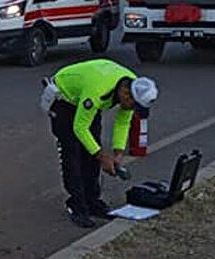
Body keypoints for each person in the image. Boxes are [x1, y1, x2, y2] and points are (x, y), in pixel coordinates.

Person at [41, 58, 158, 228]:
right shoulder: (98, 91)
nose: (133, 109)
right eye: (133, 106)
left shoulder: (134, 87)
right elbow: (80, 127)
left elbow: (123, 122)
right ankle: (77, 205)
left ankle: (92, 201)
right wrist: (102, 156)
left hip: (86, 101)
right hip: (64, 100)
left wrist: (118, 153)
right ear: (126, 94)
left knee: (92, 150)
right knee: (72, 152)